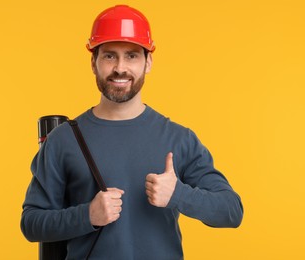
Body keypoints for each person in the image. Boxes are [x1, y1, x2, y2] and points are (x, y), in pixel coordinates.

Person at [21, 5, 243, 259]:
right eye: (109, 56)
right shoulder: (63, 140)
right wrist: (87, 215)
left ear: (148, 62)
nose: (120, 68)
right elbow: (31, 223)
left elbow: (231, 211)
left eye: (132, 56)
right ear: (93, 63)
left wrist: (179, 194)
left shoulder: (179, 138)